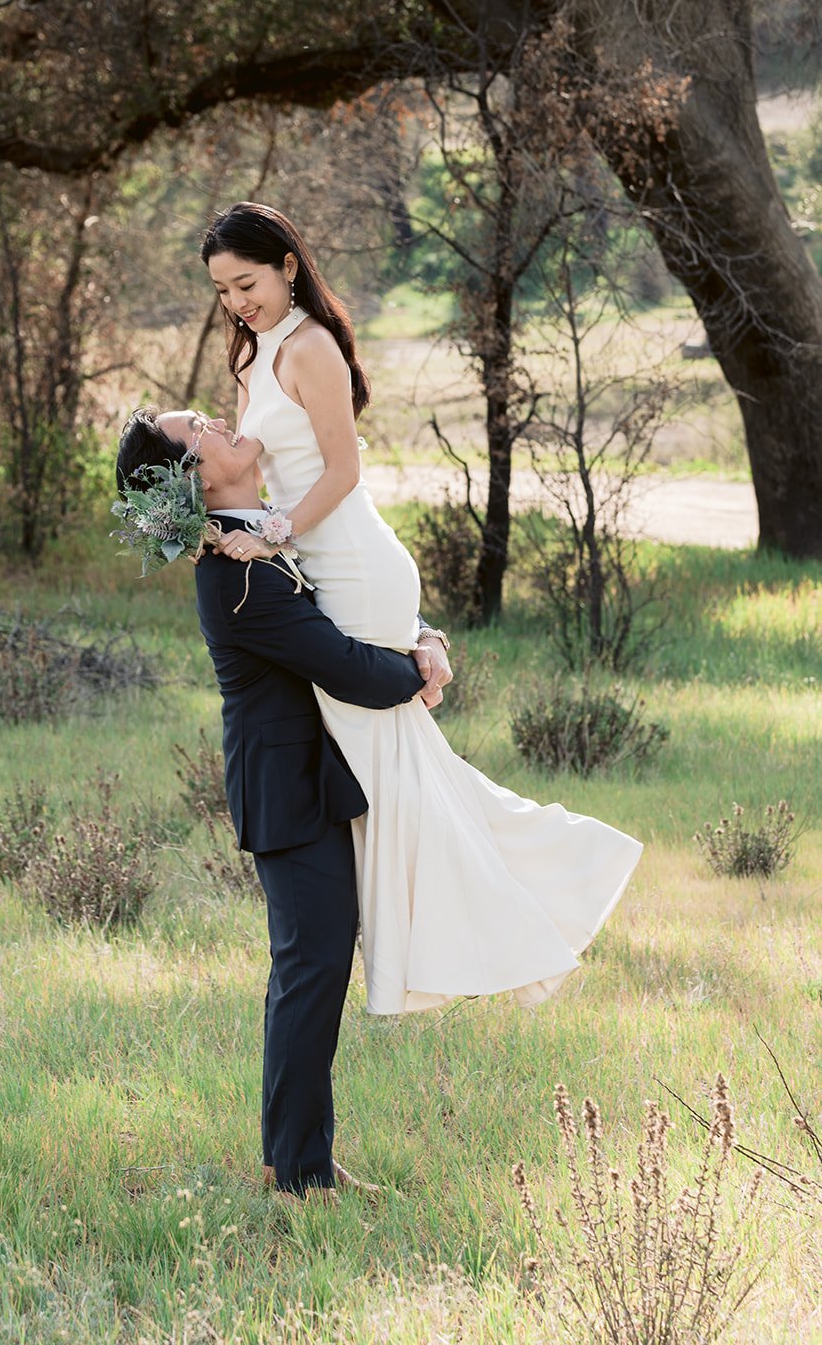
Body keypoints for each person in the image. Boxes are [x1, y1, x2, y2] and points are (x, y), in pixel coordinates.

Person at [200, 201, 644, 1016]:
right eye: (224, 290)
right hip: (312, 563)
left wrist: (272, 533)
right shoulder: (253, 355)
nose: (237, 301)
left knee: (398, 778)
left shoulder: (311, 348)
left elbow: (341, 474)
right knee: (411, 774)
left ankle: (486, 925)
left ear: (288, 266)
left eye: (248, 281)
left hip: (349, 563)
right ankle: (534, 885)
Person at [115, 407, 453, 1200]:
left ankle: (294, 1158)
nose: (216, 417)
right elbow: (342, 664)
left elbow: (363, 594)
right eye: (196, 425)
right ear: (194, 478)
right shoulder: (234, 577)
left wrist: (424, 635)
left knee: (307, 970)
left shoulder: (269, 531)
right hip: (288, 791)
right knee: (311, 971)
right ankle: (299, 1174)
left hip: (319, 777)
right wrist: (423, 670)